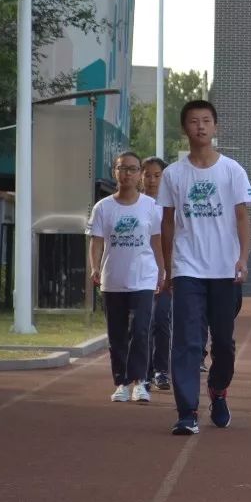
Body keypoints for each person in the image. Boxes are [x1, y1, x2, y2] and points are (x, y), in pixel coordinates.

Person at [158, 99, 251, 435]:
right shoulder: (173, 174)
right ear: (185, 128)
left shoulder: (232, 170)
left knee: (224, 343)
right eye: (193, 121)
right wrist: (168, 266)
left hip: (225, 269)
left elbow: (242, 217)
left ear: (215, 127)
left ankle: (218, 390)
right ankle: (187, 411)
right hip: (187, 268)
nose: (200, 127)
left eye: (206, 121)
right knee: (186, 340)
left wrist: (243, 258)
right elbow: (167, 223)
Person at [87, 151, 165, 404]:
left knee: (141, 331)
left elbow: (157, 242)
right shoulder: (103, 207)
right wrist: (94, 267)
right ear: (115, 172)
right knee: (117, 334)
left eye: (133, 169)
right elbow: (96, 242)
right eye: (123, 168)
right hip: (113, 280)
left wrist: (164, 271)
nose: (127, 174)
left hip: (144, 277)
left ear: (138, 175)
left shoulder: (151, 207)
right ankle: (121, 382)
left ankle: (140, 381)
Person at [138, 157, 174, 391]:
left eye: (157, 175)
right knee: (144, 324)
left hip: (165, 272)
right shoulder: (135, 204)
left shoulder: (170, 206)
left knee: (162, 320)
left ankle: (162, 370)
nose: (152, 180)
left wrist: (169, 270)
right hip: (139, 273)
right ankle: (146, 372)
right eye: (147, 175)